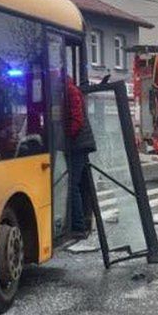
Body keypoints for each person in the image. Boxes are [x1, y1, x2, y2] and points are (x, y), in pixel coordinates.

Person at [65, 76, 96, 238]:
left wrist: (64, 138)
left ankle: (78, 226)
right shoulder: (70, 90)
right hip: (80, 143)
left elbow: (76, 121)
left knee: (72, 185)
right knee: (78, 183)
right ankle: (82, 221)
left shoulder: (70, 91)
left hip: (78, 144)